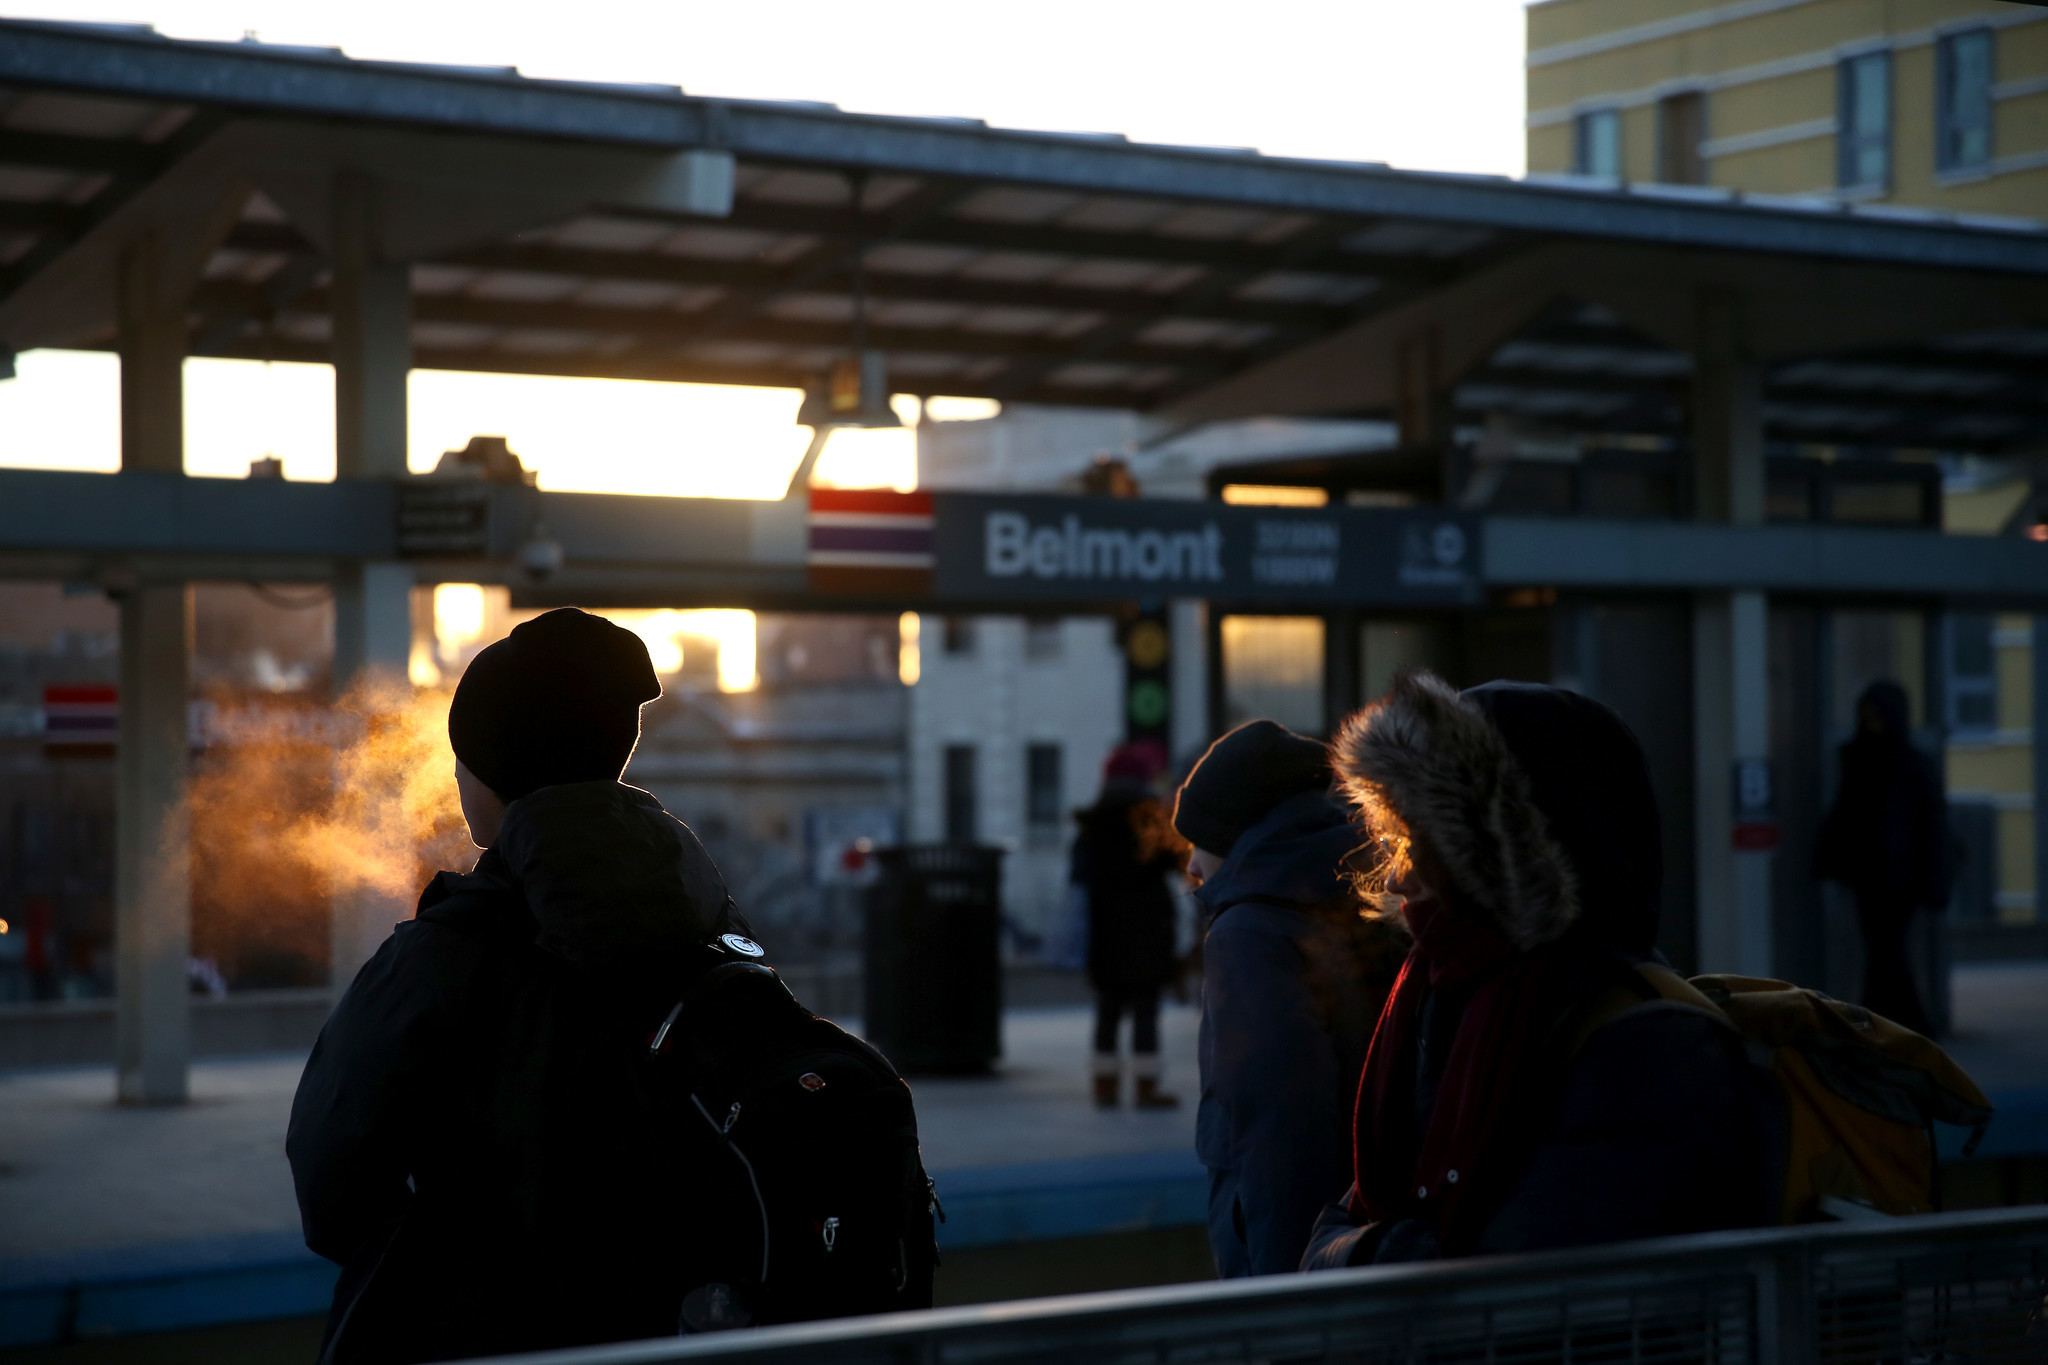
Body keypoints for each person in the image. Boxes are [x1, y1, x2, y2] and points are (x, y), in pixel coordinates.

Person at [288, 609, 746, 1363]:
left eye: (464, 759)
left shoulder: (443, 956)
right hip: (676, 1325)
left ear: (491, 769)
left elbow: (331, 1181)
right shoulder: (705, 914)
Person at [1304, 673, 1771, 1269]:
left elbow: (1514, 1288)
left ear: (1508, 859)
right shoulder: (1445, 995)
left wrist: (1359, 1257)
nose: (1398, 877)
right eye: (1397, 841)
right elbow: (1354, 1226)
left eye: (1420, 844)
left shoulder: (1647, 1044)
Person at [1174, 720, 1406, 1278]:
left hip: (1293, 1274)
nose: (1190, 865)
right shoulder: (1370, 899)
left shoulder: (1249, 932)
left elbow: (1276, 1134)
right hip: (1359, 1240)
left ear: (1236, 834)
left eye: (1197, 841)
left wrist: (1283, 1303)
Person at [1816, 679, 1952, 1037]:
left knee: (1885, 950)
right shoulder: (1859, 758)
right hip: (1870, 873)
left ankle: (1885, 1022)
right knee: (1883, 950)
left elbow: (1933, 824)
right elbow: (1845, 812)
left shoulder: (1911, 764)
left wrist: (1933, 878)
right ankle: (1892, 1024)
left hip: (1900, 877)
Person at [1072, 743, 1184, 1108]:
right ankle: (1146, 1088)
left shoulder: (1093, 821)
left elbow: (1079, 874)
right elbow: (1178, 862)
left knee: (1107, 1009)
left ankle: (1104, 1086)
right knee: (1145, 1010)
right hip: (1148, 929)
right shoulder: (1151, 818)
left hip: (1103, 928)